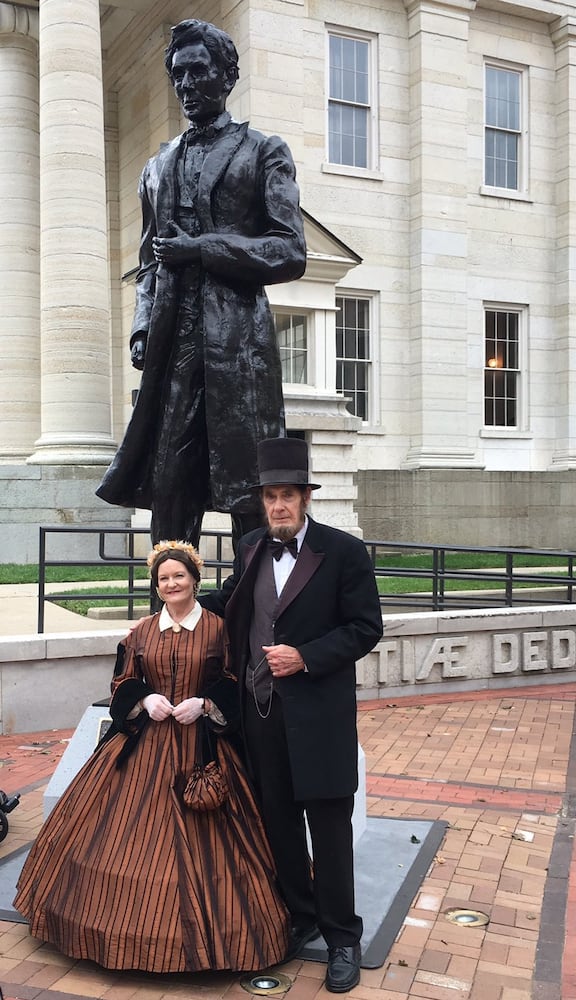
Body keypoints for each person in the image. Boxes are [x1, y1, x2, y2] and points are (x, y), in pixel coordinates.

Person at [14, 541, 289, 973]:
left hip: (201, 747)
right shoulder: (141, 631)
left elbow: (235, 679)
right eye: (163, 578)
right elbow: (123, 681)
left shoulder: (220, 629)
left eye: (179, 576)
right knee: (120, 837)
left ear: (195, 580)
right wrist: (145, 699)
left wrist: (204, 703)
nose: (171, 584)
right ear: (156, 585)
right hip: (144, 748)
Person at [96, 18, 306, 552]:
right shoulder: (157, 167)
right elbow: (148, 261)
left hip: (238, 348)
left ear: (226, 75)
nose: (186, 85)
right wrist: (142, 326)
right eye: (178, 75)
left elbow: (289, 251)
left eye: (197, 71)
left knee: (248, 489)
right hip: (173, 351)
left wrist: (206, 248)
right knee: (171, 486)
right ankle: (169, 624)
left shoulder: (263, 151)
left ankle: (259, 613)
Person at [199, 438, 384, 993]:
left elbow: (364, 628)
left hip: (320, 717)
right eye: (270, 496)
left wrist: (307, 656)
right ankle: (299, 916)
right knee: (277, 822)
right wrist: (176, 596)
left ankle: (342, 937)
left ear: (306, 497)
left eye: (288, 495)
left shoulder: (345, 552)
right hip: (262, 714)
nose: (278, 505)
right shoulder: (253, 545)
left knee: (329, 829)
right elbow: (229, 602)